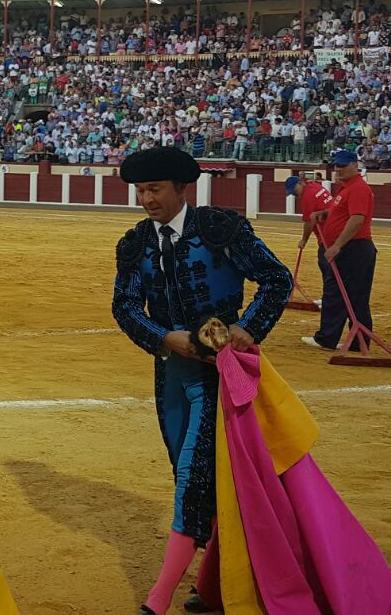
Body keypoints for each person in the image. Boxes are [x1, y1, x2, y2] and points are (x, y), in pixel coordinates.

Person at [111, 145, 293, 615]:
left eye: (154, 189)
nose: (146, 199)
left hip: (221, 375)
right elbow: (125, 307)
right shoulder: (135, 244)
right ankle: (216, 586)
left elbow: (275, 279)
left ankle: (158, 598)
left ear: (180, 188)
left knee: (193, 479)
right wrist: (163, 337)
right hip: (170, 375)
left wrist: (247, 328)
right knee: (191, 474)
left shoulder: (219, 230)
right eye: (140, 190)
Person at [304, 149, 377, 352]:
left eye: (344, 165)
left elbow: (357, 219)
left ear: (355, 165)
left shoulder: (357, 188)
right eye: (337, 165)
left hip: (352, 249)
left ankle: (327, 338)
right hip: (354, 249)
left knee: (337, 293)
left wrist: (337, 245)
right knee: (354, 297)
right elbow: (343, 212)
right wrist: (325, 213)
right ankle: (357, 342)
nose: (339, 169)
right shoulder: (347, 188)